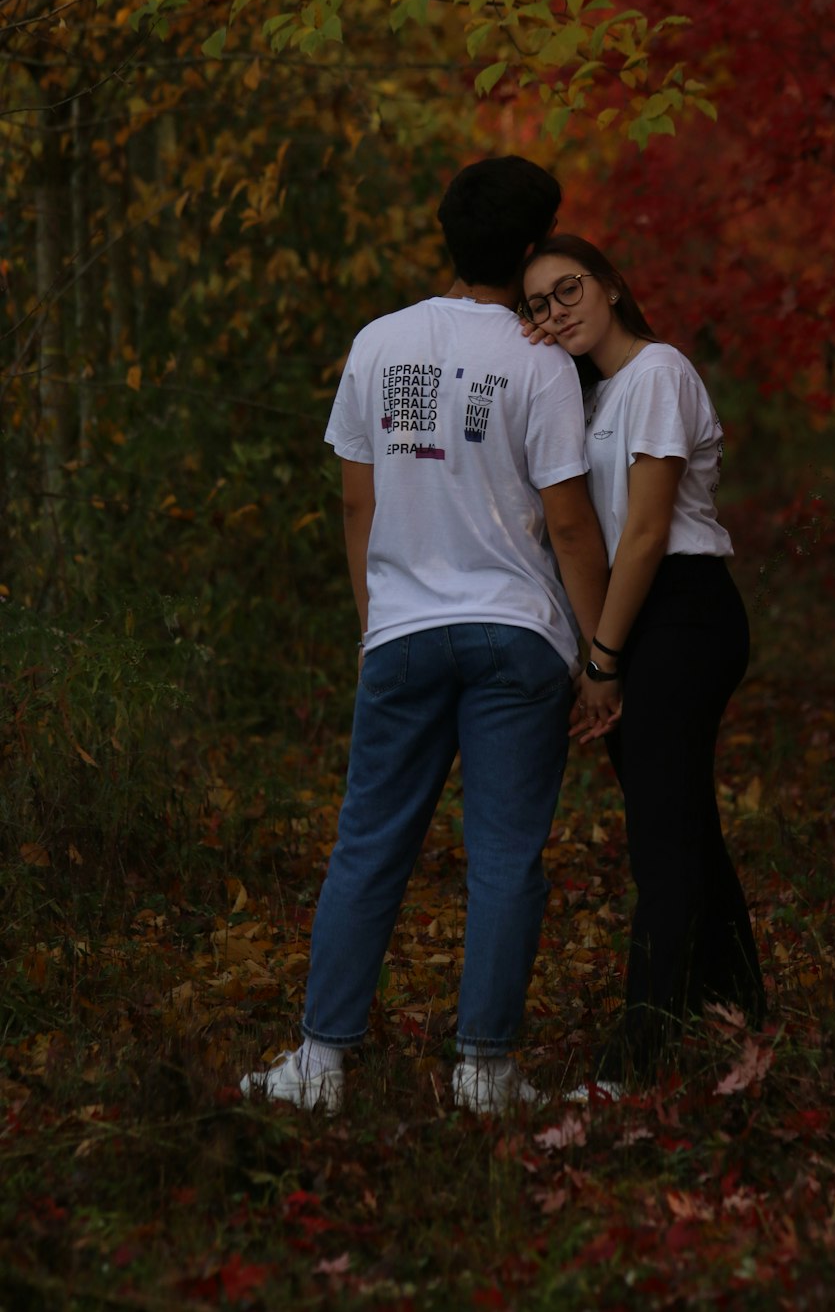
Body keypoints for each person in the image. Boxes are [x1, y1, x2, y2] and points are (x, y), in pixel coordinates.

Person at [241, 160, 609, 1114]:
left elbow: (358, 502)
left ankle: (321, 1064)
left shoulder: (378, 343)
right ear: (532, 250)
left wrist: (381, 626)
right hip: (517, 638)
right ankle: (484, 1072)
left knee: (367, 845)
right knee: (503, 857)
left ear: (447, 237)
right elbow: (569, 523)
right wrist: (603, 653)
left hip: (402, 630)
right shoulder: (543, 362)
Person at [519, 234, 765, 1092]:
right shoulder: (592, 398)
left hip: (684, 611)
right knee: (685, 822)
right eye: (541, 304)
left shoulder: (657, 372)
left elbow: (651, 531)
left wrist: (605, 658)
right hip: (644, 614)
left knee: (661, 842)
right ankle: (741, 1012)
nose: (557, 311)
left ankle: (634, 1061)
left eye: (569, 288)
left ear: (614, 285)